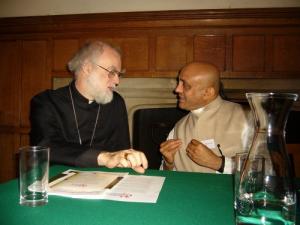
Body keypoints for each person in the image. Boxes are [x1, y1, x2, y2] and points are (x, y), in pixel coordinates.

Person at [30, 41, 148, 173]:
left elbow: (122, 148)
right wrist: (105, 157)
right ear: (87, 68)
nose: (117, 81)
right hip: (56, 179)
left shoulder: (116, 102)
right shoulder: (46, 101)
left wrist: (128, 159)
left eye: (118, 74)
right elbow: (46, 146)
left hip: (104, 181)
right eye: (112, 72)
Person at [160, 62, 253, 174]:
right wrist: (168, 164)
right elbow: (167, 174)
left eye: (185, 85)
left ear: (208, 92)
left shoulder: (247, 118)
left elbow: (268, 168)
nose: (177, 89)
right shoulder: (179, 127)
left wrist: (218, 163)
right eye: (178, 82)